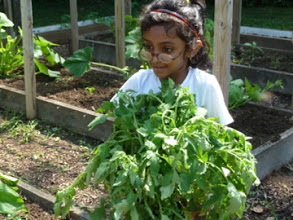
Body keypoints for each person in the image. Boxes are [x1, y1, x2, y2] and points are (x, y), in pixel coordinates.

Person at [111, 0, 233, 125]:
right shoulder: (139, 81)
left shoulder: (204, 85)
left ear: (192, 49)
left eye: (167, 49)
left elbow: (219, 129)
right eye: (148, 47)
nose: (154, 59)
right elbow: (114, 111)